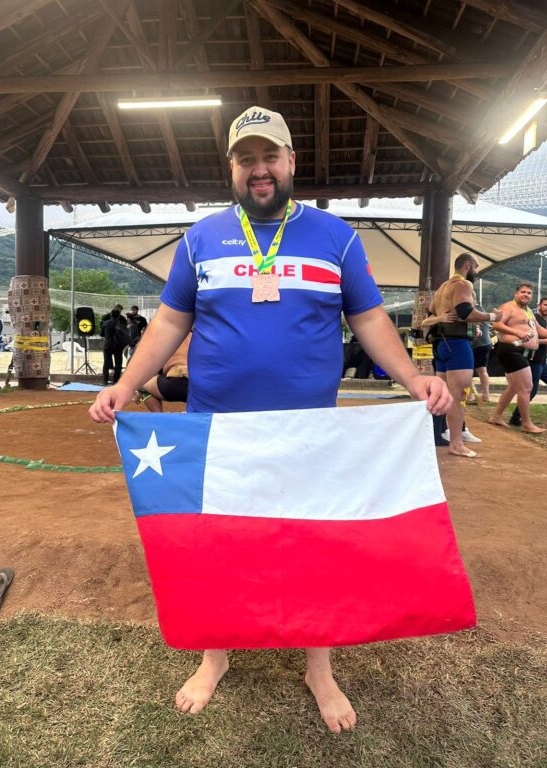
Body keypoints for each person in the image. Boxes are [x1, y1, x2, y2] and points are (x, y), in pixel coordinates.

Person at [89, 105, 452, 734]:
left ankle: (319, 665)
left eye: (270, 156)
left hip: (307, 430)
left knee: (314, 544)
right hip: (217, 430)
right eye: (245, 158)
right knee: (220, 545)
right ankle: (215, 655)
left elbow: (367, 319)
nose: (259, 169)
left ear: (291, 162)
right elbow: (172, 321)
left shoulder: (335, 236)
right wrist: (125, 383)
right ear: (232, 167)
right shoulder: (201, 237)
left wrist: (411, 376)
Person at [427, 253, 502, 457]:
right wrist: (493, 316)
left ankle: (440, 433)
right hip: (457, 345)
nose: (476, 272)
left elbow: (431, 313)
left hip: (441, 344)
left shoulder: (443, 287)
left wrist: (468, 325)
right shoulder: (463, 285)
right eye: (476, 267)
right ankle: (456, 443)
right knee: (458, 396)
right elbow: (465, 312)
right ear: (468, 265)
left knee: (445, 394)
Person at [489, 283, 547, 433]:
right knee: (527, 387)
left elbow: (539, 330)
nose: (526, 295)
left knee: (514, 387)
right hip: (510, 350)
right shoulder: (508, 307)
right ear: (516, 294)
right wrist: (518, 333)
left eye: (529, 293)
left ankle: (495, 416)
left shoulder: (527, 311)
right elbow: (496, 324)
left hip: (520, 353)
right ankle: (526, 423)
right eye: (523, 292)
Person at [508, 296, 547, 425]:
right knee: (531, 390)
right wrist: (543, 341)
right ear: (539, 305)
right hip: (532, 360)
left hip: (542, 361)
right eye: (545, 305)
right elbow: (526, 339)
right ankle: (516, 418)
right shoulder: (533, 319)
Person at [136, 334, 190, 412]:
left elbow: (148, 366)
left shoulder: (160, 335)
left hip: (175, 383)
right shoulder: (195, 336)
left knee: (142, 385)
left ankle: (160, 418)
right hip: (201, 385)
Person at [100, 308, 128, 386]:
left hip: (108, 345)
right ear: (119, 315)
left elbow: (101, 334)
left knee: (106, 363)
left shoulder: (105, 323)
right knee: (118, 364)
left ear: (111, 315)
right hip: (118, 346)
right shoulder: (121, 324)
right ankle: (115, 381)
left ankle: (105, 381)